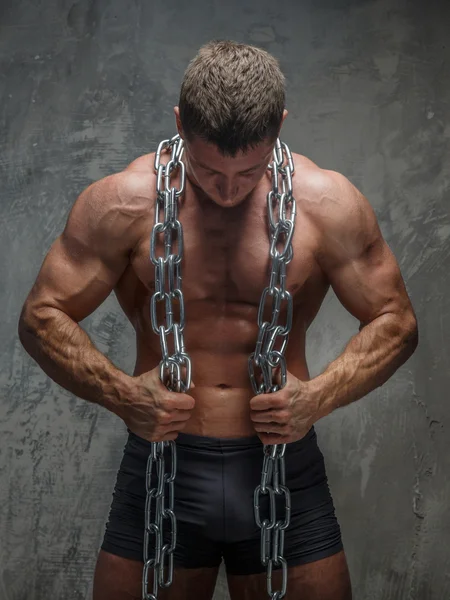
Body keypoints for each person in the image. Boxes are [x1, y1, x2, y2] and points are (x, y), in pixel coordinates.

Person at [18, 40, 418, 600]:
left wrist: (318, 397)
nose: (228, 191)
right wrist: (123, 394)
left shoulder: (328, 204)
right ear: (180, 124)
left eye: (249, 171)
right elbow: (41, 315)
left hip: (284, 465)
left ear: (279, 125)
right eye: (208, 171)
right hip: (163, 467)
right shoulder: (122, 203)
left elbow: (396, 320)